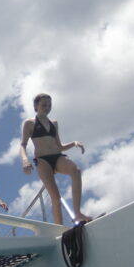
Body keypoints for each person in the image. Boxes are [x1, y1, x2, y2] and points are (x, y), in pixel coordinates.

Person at [19, 93, 92, 224]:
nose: (47, 107)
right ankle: (59, 228)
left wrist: (74, 143)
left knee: (76, 171)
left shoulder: (54, 123)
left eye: (49, 105)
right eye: (44, 105)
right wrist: (25, 160)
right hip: (42, 160)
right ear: (36, 106)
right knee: (56, 198)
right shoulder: (29, 123)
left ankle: (78, 213)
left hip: (57, 156)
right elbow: (23, 145)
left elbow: (60, 146)